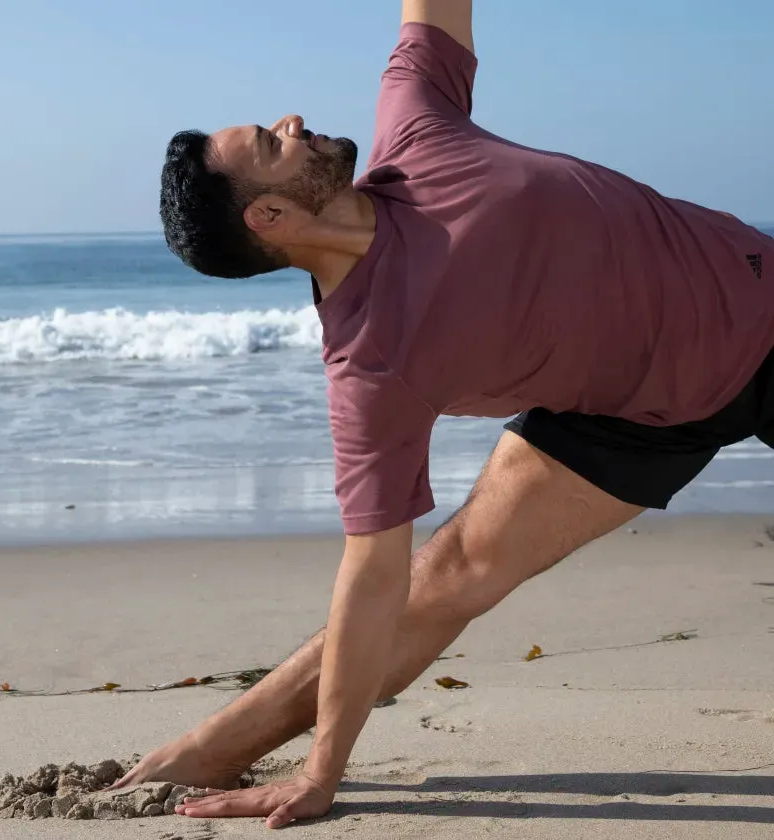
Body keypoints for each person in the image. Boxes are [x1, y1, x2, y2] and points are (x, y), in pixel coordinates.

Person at [112, 0, 774, 829]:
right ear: (271, 220)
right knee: (445, 577)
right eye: (272, 143)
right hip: (629, 415)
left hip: (761, 311)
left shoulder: (417, 128)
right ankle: (226, 742)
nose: (293, 121)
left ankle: (224, 737)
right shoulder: (371, 368)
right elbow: (373, 578)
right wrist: (322, 775)